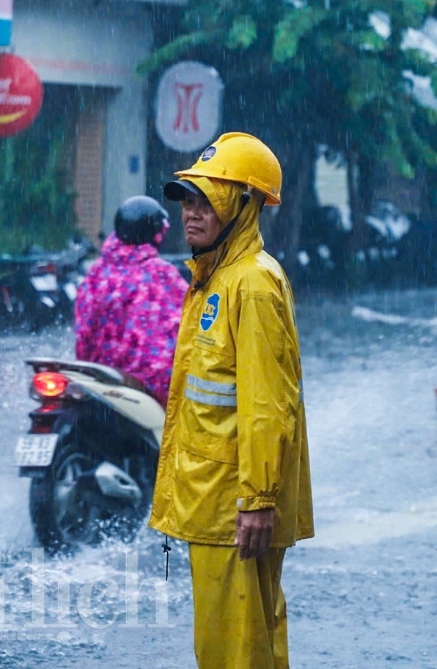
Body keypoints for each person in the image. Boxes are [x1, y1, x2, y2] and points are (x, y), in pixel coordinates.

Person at [148, 132, 314, 668]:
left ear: (242, 206)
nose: (191, 214)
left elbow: (267, 402)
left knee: (236, 651)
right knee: (240, 645)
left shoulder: (253, 285)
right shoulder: (214, 279)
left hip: (234, 505)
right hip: (214, 500)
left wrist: (258, 498)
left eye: (207, 200)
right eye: (188, 201)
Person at [74, 195, 188, 407]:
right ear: (154, 234)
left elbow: (83, 334)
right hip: (148, 387)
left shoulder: (97, 272)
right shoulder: (161, 273)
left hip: (99, 379)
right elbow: (192, 325)